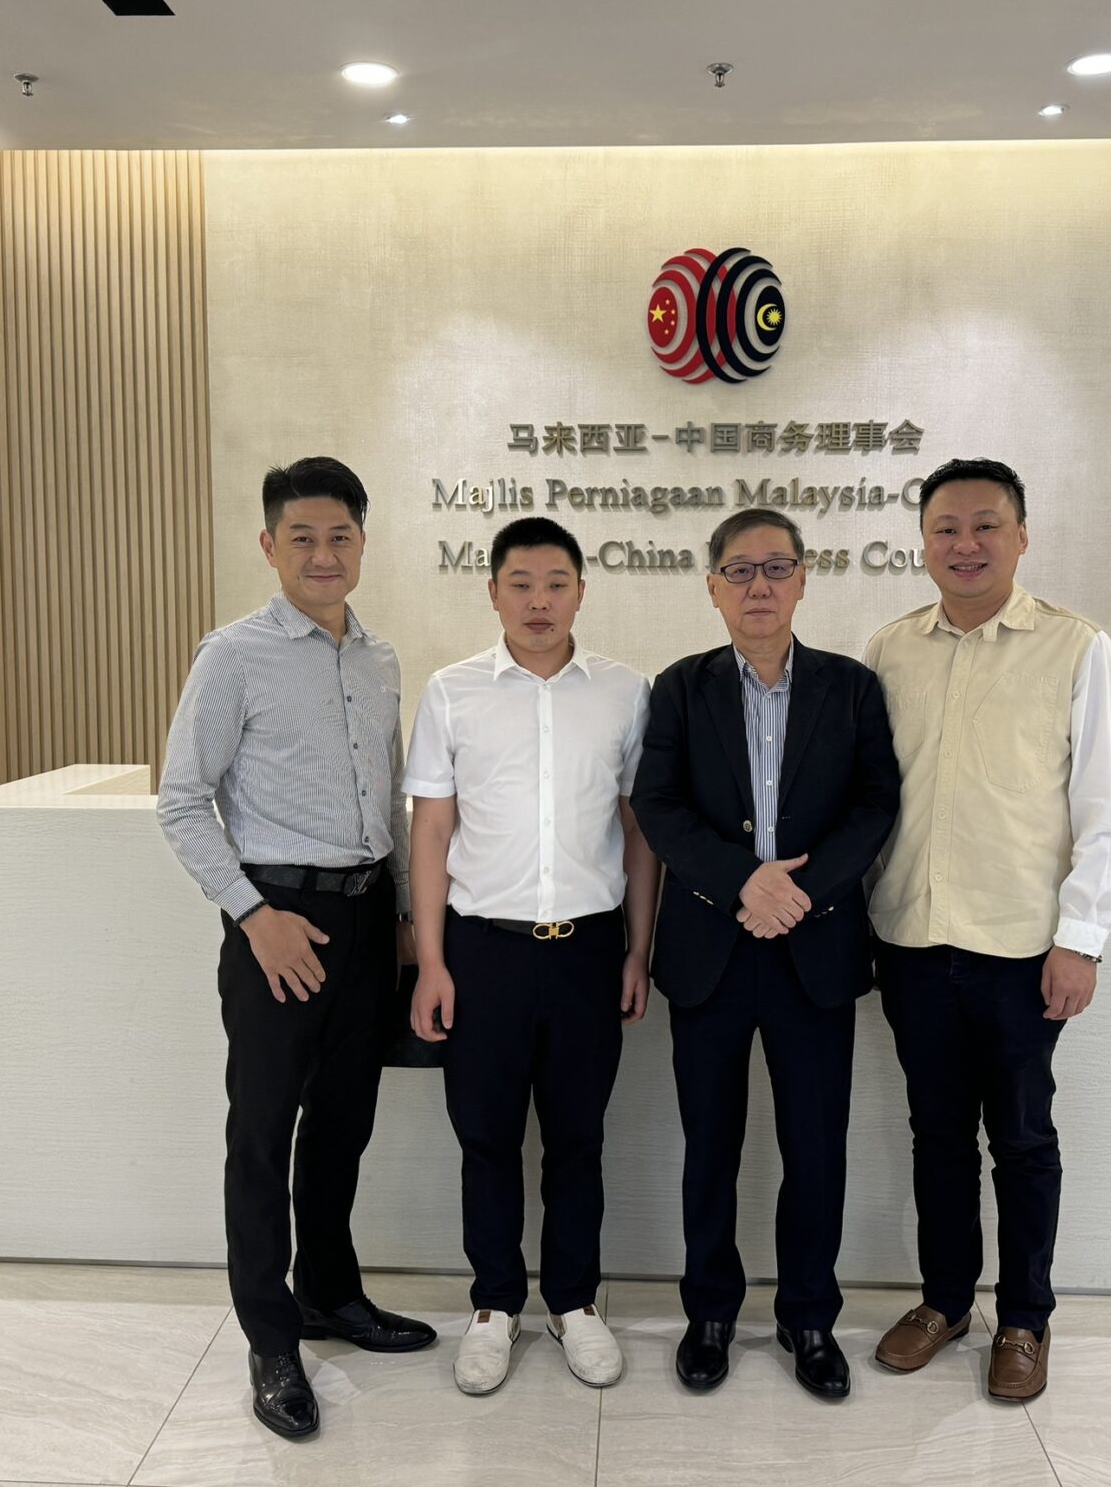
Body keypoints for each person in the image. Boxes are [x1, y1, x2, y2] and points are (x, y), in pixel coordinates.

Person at [156, 456, 435, 1442]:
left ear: (362, 543)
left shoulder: (379, 658)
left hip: (365, 919)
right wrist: (251, 912)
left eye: (340, 536)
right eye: (303, 537)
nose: (324, 554)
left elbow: (389, 795)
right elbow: (180, 801)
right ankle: (271, 1338)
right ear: (270, 545)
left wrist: (406, 914)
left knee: (343, 1123)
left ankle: (329, 1292)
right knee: (264, 1132)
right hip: (276, 919)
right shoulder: (233, 655)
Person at [865, 456, 1111, 1402]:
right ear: (923, 542)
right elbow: (870, 800)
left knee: (1020, 1136)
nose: (965, 543)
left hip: (1024, 948)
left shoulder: (1076, 647)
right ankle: (945, 1301)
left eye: (986, 525)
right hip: (911, 938)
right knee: (935, 1134)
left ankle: (1024, 1317)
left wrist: (1083, 937)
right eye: (946, 527)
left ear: (1021, 536)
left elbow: (1105, 810)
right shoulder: (891, 649)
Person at [631, 507, 899, 1400]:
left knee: (815, 1147)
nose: (759, 586)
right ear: (712, 586)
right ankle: (710, 1312)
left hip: (814, 952)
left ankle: (809, 1316)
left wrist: (799, 894)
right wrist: (743, 881)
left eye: (776, 567)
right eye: (739, 570)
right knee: (709, 1144)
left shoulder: (852, 688)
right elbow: (658, 804)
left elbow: (876, 804)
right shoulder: (679, 687)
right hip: (710, 949)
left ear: (803, 579)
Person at [406, 516, 658, 1397]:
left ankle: (574, 1301)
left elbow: (639, 833)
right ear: (493, 592)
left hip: (589, 950)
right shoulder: (452, 692)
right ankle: (493, 1303)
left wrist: (639, 948)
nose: (538, 601)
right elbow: (431, 833)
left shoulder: (626, 692)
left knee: (578, 1138)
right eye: (520, 583)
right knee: (485, 1137)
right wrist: (431, 961)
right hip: (483, 951)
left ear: (582, 590)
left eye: (556, 583)